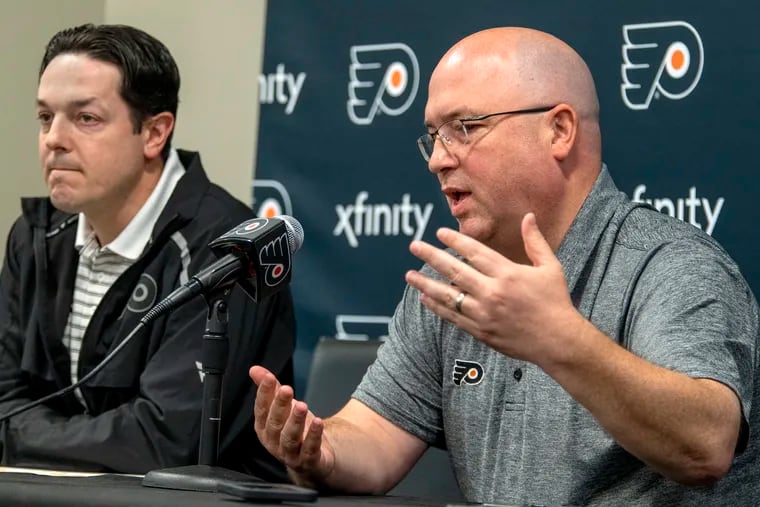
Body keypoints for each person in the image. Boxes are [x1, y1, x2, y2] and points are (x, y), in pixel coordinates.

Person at [250, 26, 760, 505]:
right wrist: (319, 450)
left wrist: (556, 339)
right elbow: (373, 439)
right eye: (434, 135)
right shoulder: (452, 281)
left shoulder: (669, 263)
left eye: (465, 128)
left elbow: (706, 443)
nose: (437, 159)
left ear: (559, 130)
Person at [0, 23, 295, 479]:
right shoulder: (34, 235)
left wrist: (19, 436)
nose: (53, 139)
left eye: (86, 119)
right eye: (44, 117)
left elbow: (163, 439)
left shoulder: (228, 251)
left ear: (154, 134)